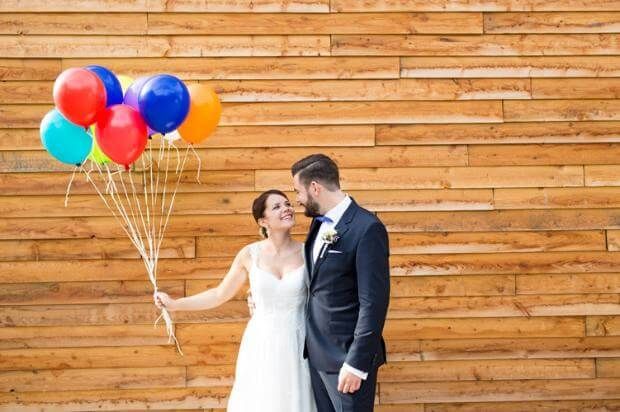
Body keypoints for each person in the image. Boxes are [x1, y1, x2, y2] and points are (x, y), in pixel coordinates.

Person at [154, 189, 317, 412]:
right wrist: (175, 304)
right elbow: (219, 294)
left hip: (299, 342)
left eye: (288, 204)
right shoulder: (250, 254)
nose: (287, 208)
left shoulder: (309, 253)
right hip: (262, 341)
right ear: (263, 221)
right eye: (277, 206)